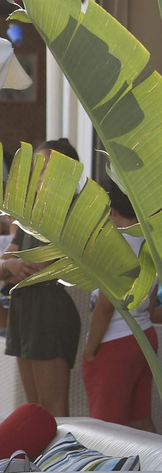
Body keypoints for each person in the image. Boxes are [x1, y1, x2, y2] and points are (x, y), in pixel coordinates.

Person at [82, 176, 157, 430]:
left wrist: (90, 351)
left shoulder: (118, 243)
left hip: (114, 341)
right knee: (140, 419)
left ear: (111, 211)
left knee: (108, 427)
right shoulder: (148, 241)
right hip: (143, 335)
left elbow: (106, 305)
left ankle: (112, 472)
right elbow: (148, 302)